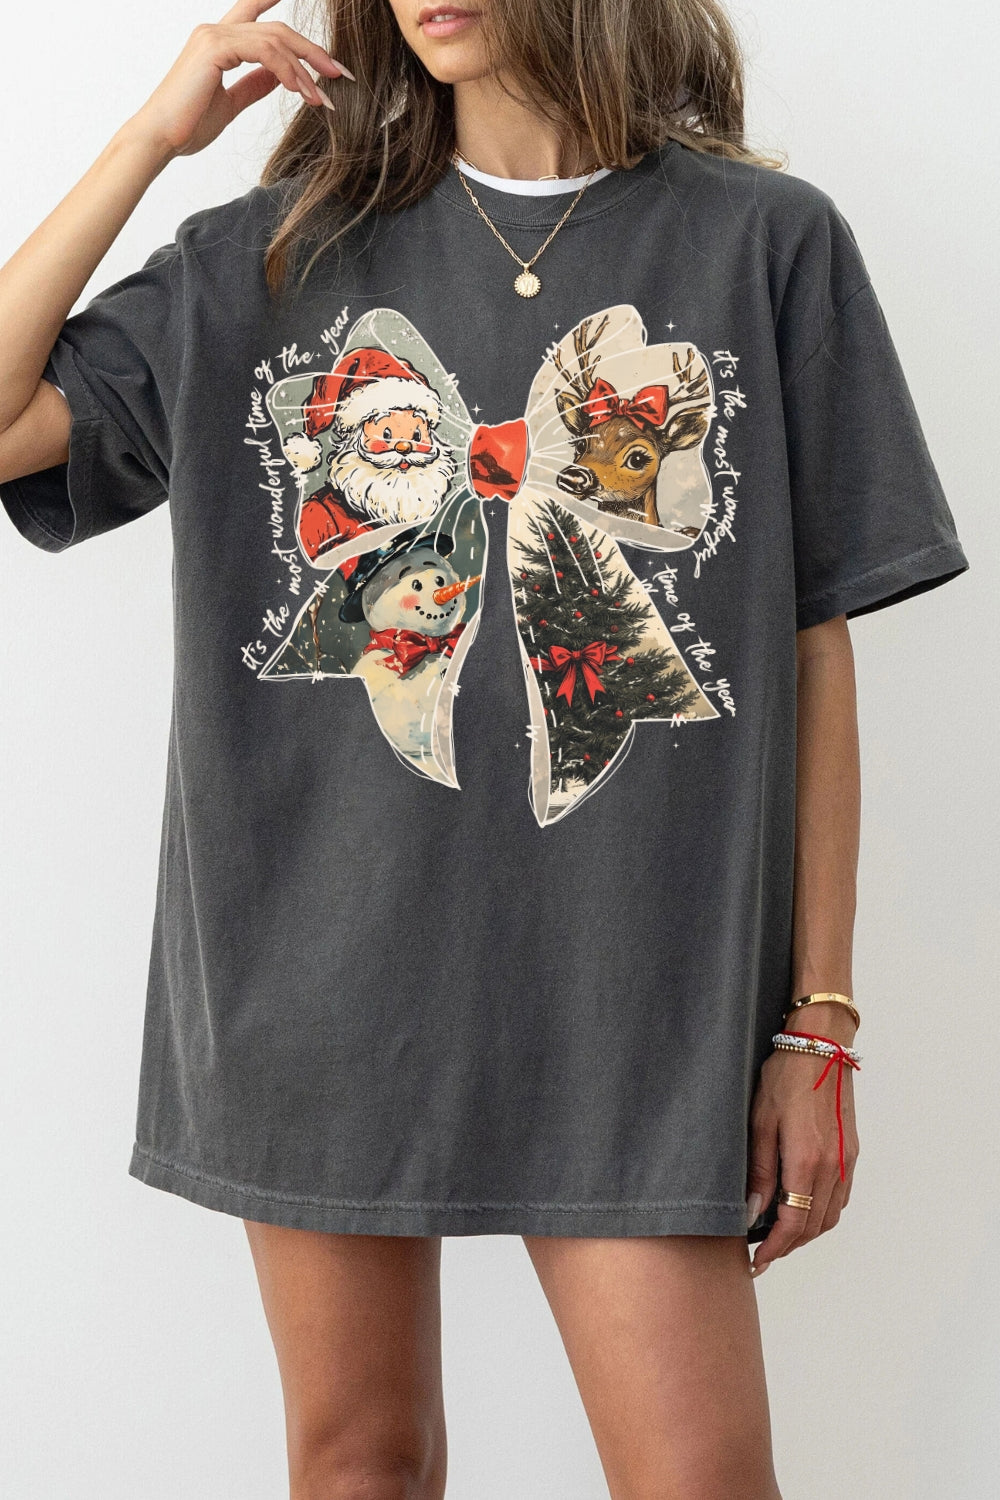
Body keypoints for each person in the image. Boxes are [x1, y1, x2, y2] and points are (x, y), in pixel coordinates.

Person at [0, 1, 971, 1496]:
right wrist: (149, 139)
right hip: (319, 980)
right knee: (359, 1465)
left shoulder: (763, 242)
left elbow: (812, 642)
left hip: (637, 1001)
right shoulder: (270, 253)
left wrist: (819, 1020)